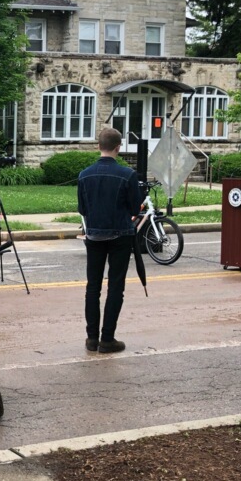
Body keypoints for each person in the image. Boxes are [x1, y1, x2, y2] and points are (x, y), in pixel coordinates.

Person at [77, 127, 143, 354]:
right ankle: (107, 338)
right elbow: (136, 208)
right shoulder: (128, 175)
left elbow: (82, 208)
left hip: (94, 235)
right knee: (115, 286)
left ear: (98, 146)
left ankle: (91, 338)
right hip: (120, 235)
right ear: (118, 147)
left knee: (92, 287)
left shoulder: (84, 175)